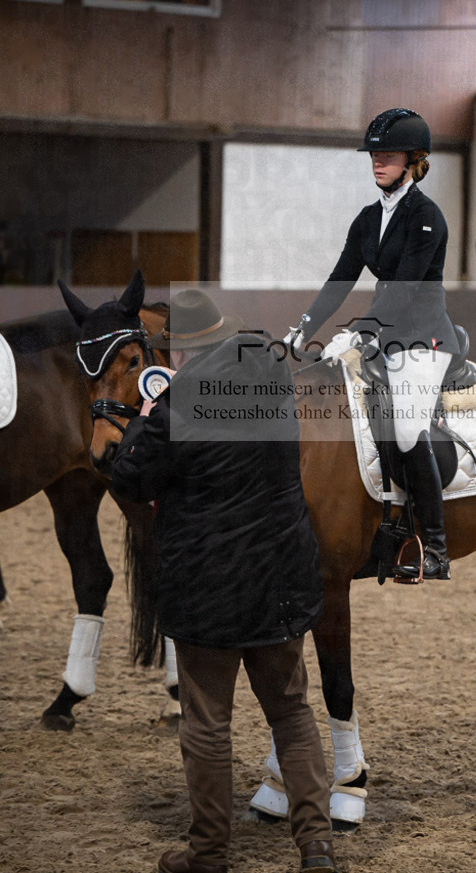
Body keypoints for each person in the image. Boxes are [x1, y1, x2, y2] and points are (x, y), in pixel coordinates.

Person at [110, 289, 337, 873]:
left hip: (209, 584)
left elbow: (131, 479)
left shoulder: (177, 402)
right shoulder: (274, 382)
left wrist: (141, 421)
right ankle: (316, 844)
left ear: (183, 350)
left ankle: (208, 853)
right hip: (282, 577)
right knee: (291, 711)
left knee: (208, 722)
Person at [284, 107, 468, 582]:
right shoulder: (369, 219)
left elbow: (405, 287)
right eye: (374, 154)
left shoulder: (427, 217)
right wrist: (303, 328)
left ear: (414, 160)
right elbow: (341, 277)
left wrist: (359, 331)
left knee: (406, 428)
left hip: (424, 339)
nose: (377, 161)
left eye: (388, 154)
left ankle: (435, 546)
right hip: (385, 335)